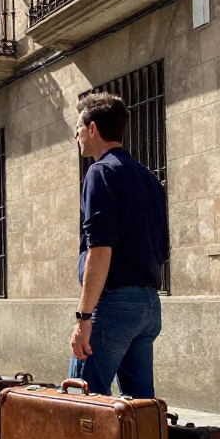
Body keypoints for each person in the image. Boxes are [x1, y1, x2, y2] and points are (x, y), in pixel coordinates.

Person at [69, 93, 170, 398]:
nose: (76, 135)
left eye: (78, 128)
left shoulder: (100, 172)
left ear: (93, 128)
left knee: (82, 400)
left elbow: (100, 250)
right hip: (148, 304)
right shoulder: (148, 178)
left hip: (114, 304)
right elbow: (162, 248)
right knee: (139, 407)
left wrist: (84, 317)